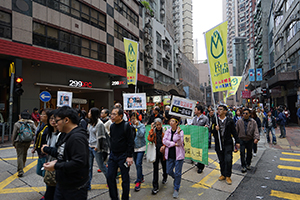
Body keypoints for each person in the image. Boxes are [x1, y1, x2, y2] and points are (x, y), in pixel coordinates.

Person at [43, 106, 89, 200]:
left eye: (57, 121)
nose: (55, 124)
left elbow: (79, 162)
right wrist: (56, 162)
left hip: (74, 188)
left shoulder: (77, 138)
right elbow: (64, 155)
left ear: (66, 120)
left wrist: (56, 166)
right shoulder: (66, 134)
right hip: (63, 184)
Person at [107, 107, 134, 200]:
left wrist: (129, 156)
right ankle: (114, 198)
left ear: (121, 116)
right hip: (113, 155)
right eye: (111, 114)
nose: (112, 116)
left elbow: (130, 142)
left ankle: (125, 198)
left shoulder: (127, 126)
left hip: (124, 156)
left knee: (125, 179)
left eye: (114, 114)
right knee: (110, 176)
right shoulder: (112, 126)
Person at [210, 105, 240, 185]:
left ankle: (228, 176)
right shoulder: (215, 120)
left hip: (228, 143)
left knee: (228, 160)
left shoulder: (230, 121)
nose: (219, 111)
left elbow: (234, 132)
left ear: (225, 111)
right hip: (218, 143)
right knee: (221, 160)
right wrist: (215, 130)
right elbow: (211, 130)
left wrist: (237, 141)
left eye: (221, 109)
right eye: (218, 109)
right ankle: (223, 174)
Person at [42, 110, 65, 200]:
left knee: (52, 191)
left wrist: (46, 149)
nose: (53, 121)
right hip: (49, 162)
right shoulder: (48, 132)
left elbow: (60, 152)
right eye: (51, 118)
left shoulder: (62, 134)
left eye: (55, 119)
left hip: (57, 165)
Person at [86, 107, 108, 190]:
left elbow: (101, 137)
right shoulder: (90, 123)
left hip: (96, 149)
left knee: (101, 166)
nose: (88, 113)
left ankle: (110, 180)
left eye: (89, 112)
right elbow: (89, 134)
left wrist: (97, 147)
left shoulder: (100, 124)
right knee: (89, 167)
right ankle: (88, 185)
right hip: (89, 147)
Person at [163, 116, 185, 199]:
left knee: (178, 172)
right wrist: (172, 143)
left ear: (177, 123)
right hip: (169, 154)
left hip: (178, 155)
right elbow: (164, 140)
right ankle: (176, 178)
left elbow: (179, 143)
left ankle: (176, 189)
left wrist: (178, 134)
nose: (171, 122)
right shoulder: (167, 131)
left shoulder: (181, 132)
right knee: (168, 171)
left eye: (173, 121)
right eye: (170, 121)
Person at [12, 111, 36, 177]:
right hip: (28, 141)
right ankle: (23, 165)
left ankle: (20, 170)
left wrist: (13, 143)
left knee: (20, 155)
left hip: (19, 141)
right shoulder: (31, 123)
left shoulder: (17, 124)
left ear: (21, 116)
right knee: (24, 153)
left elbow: (14, 134)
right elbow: (36, 131)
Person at [236, 108, 260, 173]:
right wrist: (236, 141)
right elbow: (236, 131)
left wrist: (256, 138)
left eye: (246, 113)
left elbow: (256, 131)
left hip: (250, 139)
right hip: (242, 139)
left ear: (249, 114)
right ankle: (243, 166)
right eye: (243, 113)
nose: (245, 115)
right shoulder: (239, 121)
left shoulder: (253, 122)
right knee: (242, 153)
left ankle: (248, 164)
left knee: (249, 153)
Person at [147, 118, 167, 195]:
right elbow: (150, 139)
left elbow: (166, 140)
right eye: (157, 125)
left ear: (162, 124)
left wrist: (164, 146)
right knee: (155, 169)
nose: (158, 126)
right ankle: (155, 186)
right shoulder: (154, 131)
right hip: (155, 153)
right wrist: (151, 130)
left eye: (159, 124)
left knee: (164, 167)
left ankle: (165, 176)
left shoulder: (164, 131)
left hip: (163, 152)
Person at [32, 108, 52, 177]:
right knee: (39, 171)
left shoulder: (50, 128)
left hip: (45, 154)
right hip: (39, 153)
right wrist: (34, 147)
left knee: (45, 174)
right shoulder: (42, 125)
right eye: (41, 114)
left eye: (43, 114)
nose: (41, 116)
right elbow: (37, 136)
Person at [130, 112, 146, 191]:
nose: (133, 120)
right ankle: (141, 176)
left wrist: (138, 126)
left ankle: (138, 180)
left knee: (138, 163)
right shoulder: (129, 126)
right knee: (137, 164)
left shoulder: (142, 126)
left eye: (134, 118)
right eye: (132, 118)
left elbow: (141, 135)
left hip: (141, 147)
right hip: (133, 148)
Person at [191, 104, 209, 174]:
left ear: (199, 111)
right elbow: (192, 126)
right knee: (196, 151)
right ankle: (198, 163)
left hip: (202, 138)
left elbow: (208, 126)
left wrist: (207, 126)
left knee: (201, 152)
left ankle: (201, 167)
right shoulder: (194, 118)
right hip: (195, 137)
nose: (194, 111)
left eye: (195, 110)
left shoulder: (205, 118)